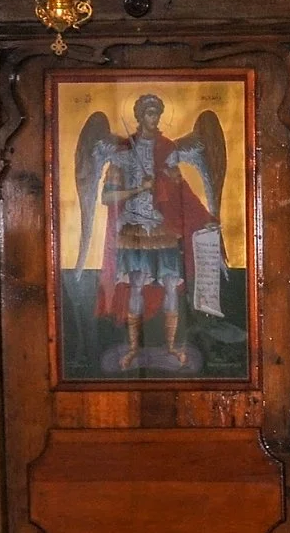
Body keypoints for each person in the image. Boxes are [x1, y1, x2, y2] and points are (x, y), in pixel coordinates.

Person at [74, 94, 224, 363]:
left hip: (162, 230)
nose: (154, 118)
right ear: (139, 116)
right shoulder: (122, 153)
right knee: (135, 286)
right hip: (133, 231)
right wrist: (137, 189)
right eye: (149, 113)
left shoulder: (168, 149)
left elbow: (183, 194)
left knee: (169, 285)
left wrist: (205, 216)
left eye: (157, 113)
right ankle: (133, 348)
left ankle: (172, 347)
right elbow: (107, 198)